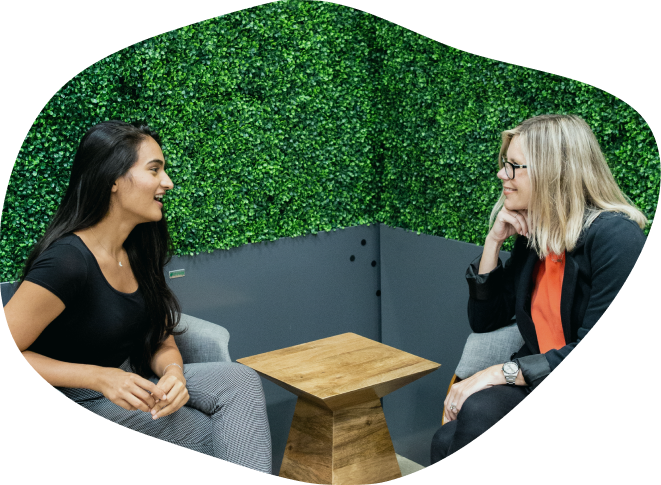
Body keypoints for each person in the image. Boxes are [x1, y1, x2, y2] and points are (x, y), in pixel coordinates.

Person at [5, 120, 272, 473]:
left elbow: (160, 336)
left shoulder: (135, 249)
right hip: (81, 396)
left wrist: (174, 373)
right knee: (221, 435)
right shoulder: (67, 261)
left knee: (241, 381)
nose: (168, 182)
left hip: (128, 384)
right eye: (154, 169)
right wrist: (99, 377)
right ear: (113, 179)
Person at [430, 114, 647, 462]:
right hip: (535, 377)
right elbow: (486, 320)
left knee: (473, 415)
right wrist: (493, 241)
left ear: (553, 173)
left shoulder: (616, 238)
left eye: (515, 166)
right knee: (448, 436)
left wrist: (495, 373)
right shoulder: (537, 235)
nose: (503, 175)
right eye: (505, 164)